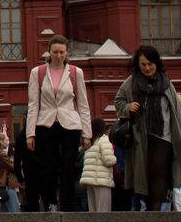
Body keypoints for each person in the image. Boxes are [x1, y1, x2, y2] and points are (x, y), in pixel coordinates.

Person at [113, 46, 181, 211]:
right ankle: (149, 208)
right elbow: (118, 101)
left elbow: (176, 112)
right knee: (145, 175)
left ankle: (156, 208)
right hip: (140, 138)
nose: (147, 68)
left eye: (150, 64)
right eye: (143, 64)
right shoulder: (131, 82)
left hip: (164, 136)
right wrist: (128, 107)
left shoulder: (167, 84)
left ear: (157, 63)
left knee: (159, 171)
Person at [26, 36, 92, 211]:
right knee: (48, 167)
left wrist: (87, 134)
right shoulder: (38, 72)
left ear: (66, 52)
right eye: (55, 52)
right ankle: (50, 203)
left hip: (70, 125)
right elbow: (33, 104)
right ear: (49, 52)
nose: (58, 55)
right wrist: (30, 134)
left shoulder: (75, 72)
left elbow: (83, 104)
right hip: (45, 124)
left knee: (68, 167)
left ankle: (68, 206)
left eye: (62, 52)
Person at [80, 118, 115, 212]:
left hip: (89, 180)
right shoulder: (103, 139)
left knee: (93, 211)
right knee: (103, 211)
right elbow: (109, 160)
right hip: (102, 180)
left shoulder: (89, 143)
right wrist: (115, 159)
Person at [0, 131, 20, 212]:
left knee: (3, 211)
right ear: (1, 142)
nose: (8, 142)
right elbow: (13, 167)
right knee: (15, 210)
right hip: (7, 184)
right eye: (6, 140)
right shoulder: (2, 154)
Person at [13, 126, 42, 211]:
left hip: (29, 173)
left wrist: (20, 178)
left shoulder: (20, 136)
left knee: (32, 200)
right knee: (46, 199)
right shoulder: (41, 132)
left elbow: (16, 160)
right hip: (44, 170)